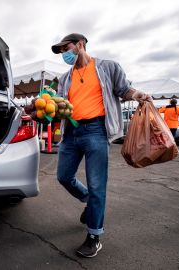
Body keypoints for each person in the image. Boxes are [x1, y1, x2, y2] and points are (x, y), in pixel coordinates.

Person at [49, 33, 152, 258]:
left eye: (66, 48)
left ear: (80, 45)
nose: (64, 54)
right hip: (71, 132)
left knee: (98, 186)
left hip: (96, 130)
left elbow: (124, 89)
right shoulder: (65, 78)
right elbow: (58, 105)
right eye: (61, 52)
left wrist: (138, 94)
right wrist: (46, 110)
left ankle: (94, 236)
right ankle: (88, 200)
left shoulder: (107, 67)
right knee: (64, 176)